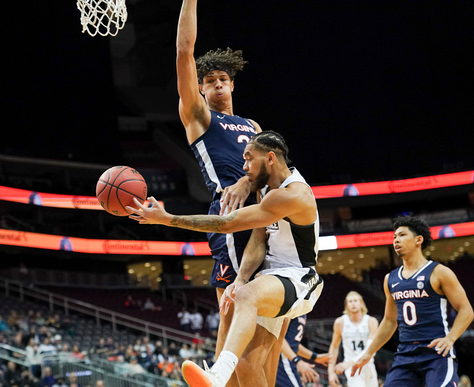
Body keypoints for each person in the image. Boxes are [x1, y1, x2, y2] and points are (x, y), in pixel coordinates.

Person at [129, 131, 323, 387]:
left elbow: (225, 224)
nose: (244, 167)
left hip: (300, 279)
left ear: (271, 158)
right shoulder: (267, 190)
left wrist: (168, 219)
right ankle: (227, 369)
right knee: (247, 365)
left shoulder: (293, 194)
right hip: (272, 280)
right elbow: (257, 240)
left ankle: (218, 374)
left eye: (249, 159)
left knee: (245, 297)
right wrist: (241, 278)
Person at [176, 0, 262, 383]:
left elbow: (274, 171)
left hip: (264, 215)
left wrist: (250, 180)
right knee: (230, 309)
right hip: (229, 213)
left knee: (260, 326)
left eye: (222, 80)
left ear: (232, 84)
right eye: (208, 81)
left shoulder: (252, 124)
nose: (216, 85)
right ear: (200, 88)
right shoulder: (198, 116)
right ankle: (216, 378)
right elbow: (184, 50)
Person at [351, 216, 474, 386]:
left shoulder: (439, 272)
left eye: (402, 235)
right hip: (405, 354)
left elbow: (466, 310)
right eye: (394, 237)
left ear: (418, 240)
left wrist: (451, 338)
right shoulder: (390, 279)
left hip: (436, 352)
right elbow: (389, 320)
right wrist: (369, 352)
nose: (396, 240)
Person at [328, 291, 379, 387]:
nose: (353, 303)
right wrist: (331, 372)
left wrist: (348, 363)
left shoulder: (371, 321)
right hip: (351, 368)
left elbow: (371, 347)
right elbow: (334, 347)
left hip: (368, 365)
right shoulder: (340, 322)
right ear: (346, 305)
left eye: (355, 301)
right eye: (350, 301)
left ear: (361, 303)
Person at [276, 315, 331, 387]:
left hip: (287, 360)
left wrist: (315, 357)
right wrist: (298, 361)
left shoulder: (304, 310)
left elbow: (292, 343)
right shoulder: (292, 306)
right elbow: (278, 338)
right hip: (281, 360)